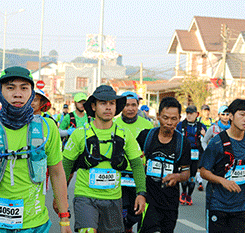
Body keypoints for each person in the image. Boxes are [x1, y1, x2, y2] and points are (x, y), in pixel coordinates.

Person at [0, 66, 71, 233]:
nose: (18, 94)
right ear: (0, 92)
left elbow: (57, 172)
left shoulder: (47, 128)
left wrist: (64, 220)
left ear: (31, 93)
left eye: (24, 88)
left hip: (35, 226)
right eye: (10, 87)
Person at [62, 85, 146, 233]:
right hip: (85, 197)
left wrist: (141, 193)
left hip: (114, 199)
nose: (108, 108)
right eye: (103, 103)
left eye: (112, 103)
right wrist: (60, 197)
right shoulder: (79, 134)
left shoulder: (124, 134)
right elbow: (66, 166)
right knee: (87, 230)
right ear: (93, 106)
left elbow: (137, 165)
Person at [199, 99, 245, 233]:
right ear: (231, 116)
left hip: (242, 206)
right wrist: (223, 181)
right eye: (242, 115)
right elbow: (203, 171)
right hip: (218, 204)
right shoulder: (217, 142)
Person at [136, 97, 191, 232]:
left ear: (179, 119)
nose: (169, 123)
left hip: (170, 203)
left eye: (173, 119)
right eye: (165, 118)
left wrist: (177, 177)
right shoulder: (146, 137)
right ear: (158, 116)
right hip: (148, 200)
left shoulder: (183, 143)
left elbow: (186, 173)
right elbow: (134, 163)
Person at [115, 91, 153, 232]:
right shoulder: (114, 123)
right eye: (126, 105)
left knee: (137, 212)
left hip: (139, 174)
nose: (130, 108)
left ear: (138, 106)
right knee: (121, 212)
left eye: (133, 105)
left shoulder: (147, 125)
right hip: (119, 174)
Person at [177, 105, 206, 205]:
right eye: (187, 113)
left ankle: (189, 195)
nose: (189, 115)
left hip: (196, 154)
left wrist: (203, 135)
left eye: (191, 113)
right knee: (184, 176)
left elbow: (206, 141)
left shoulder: (201, 126)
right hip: (184, 153)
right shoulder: (181, 125)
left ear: (196, 114)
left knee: (192, 177)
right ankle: (183, 192)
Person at [199, 105, 230, 191]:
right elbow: (204, 141)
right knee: (214, 181)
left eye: (227, 114)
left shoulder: (232, 128)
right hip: (216, 159)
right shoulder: (213, 127)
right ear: (219, 115)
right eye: (223, 114)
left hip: (228, 158)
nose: (225, 116)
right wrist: (208, 152)